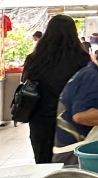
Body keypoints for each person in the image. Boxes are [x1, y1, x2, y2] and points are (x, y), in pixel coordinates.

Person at [22, 15, 91, 164]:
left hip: (40, 120)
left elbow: (25, 84)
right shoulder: (81, 59)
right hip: (71, 121)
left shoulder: (34, 59)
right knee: (73, 163)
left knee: (44, 162)